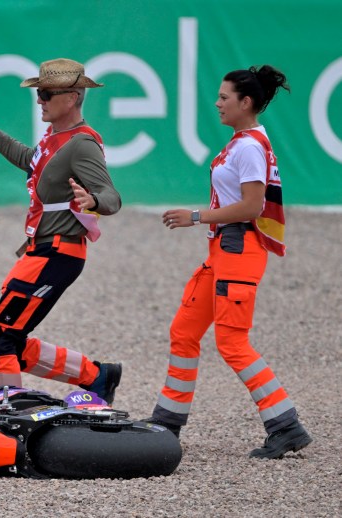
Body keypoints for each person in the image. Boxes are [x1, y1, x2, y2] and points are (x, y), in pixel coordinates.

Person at [144, 65, 312, 459]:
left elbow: (252, 206)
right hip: (222, 251)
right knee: (184, 331)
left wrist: (196, 217)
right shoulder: (241, 142)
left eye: (224, 97)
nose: (217, 103)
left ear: (246, 102)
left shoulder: (250, 146)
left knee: (232, 342)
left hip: (239, 250)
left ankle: (286, 426)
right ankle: (167, 424)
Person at [0, 58, 123, 402]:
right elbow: (28, 158)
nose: (39, 100)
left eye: (45, 93)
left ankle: (7, 419)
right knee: (9, 338)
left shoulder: (82, 143)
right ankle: (98, 376)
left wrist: (92, 200)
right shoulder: (56, 137)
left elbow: (112, 197)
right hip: (41, 252)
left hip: (57, 254)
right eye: (38, 93)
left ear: (71, 98)